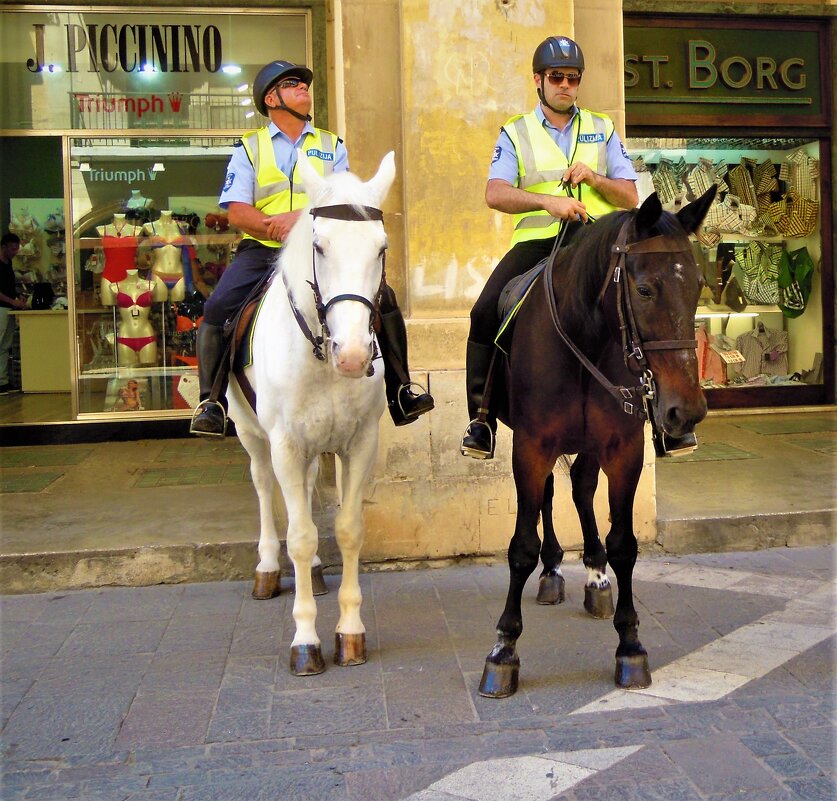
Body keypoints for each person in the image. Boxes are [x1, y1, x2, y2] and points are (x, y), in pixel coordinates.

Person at [190, 59, 434, 437]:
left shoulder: (330, 144)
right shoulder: (250, 148)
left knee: (383, 297)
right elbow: (237, 211)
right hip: (263, 249)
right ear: (272, 98)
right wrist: (274, 225)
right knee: (218, 307)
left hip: (321, 248)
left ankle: (400, 388)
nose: (304, 88)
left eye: (305, 84)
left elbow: (345, 199)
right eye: (293, 84)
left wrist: (300, 222)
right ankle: (212, 401)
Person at [460, 36, 639, 459]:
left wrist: (595, 179)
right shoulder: (515, 131)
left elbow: (630, 197)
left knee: (647, 305)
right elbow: (495, 193)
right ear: (538, 81)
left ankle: (666, 418)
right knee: (484, 311)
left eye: (573, 78)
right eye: (556, 77)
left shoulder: (603, 128)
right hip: (538, 244)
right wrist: (547, 201)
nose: (565, 85)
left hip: (595, 245)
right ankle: (480, 420)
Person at [0, 233, 26, 395]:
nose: (15, 252)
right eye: (13, 249)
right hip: (1, 308)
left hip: (8, 308)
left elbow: (7, 285)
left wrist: (17, 297)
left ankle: (2, 381)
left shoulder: (8, 263)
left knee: (5, 346)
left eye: (17, 249)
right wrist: (12, 301)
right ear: (4, 247)